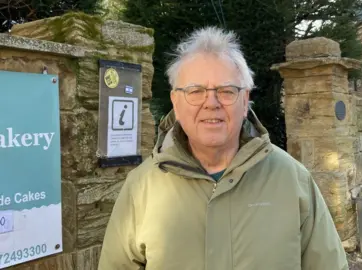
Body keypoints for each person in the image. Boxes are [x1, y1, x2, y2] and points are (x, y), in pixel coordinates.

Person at [98, 26, 348, 270]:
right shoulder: (142, 187)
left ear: (245, 99)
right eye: (195, 91)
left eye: (226, 91)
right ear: (175, 100)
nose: (211, 103)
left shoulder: (293, 180)